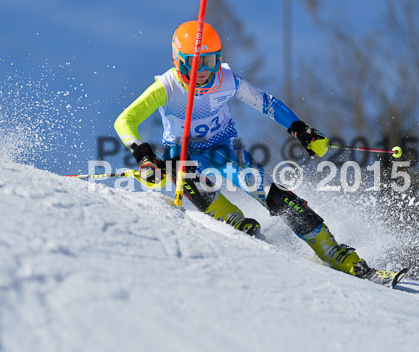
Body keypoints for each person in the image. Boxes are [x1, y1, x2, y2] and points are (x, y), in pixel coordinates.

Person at [114, 21, 371, 278]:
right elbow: (125, 120)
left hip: (224, 150)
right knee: (174, 165)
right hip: (183, 153)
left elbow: (267, 104)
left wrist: (300, 130)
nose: (204, 70)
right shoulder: (167, 88)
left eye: (211, 60)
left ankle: (334, 252)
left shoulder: (227, 81)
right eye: (195, 62)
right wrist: (145, 157)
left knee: (277, 197)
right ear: (178, 60)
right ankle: (230, 218)